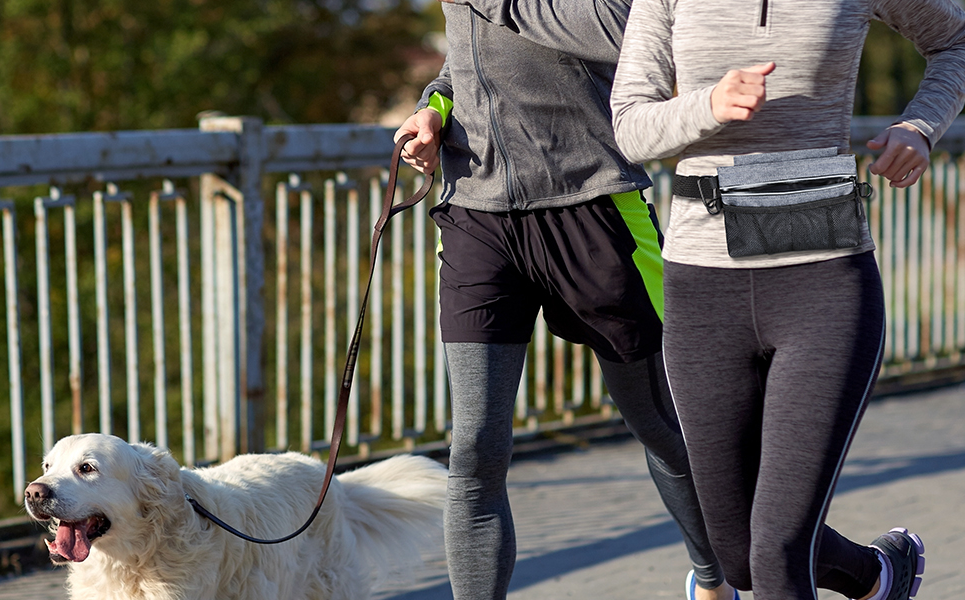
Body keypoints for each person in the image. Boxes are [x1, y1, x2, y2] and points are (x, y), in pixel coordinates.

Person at [609, 0, 965, 598]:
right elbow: (629, 126)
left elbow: (958, 41)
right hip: (703, 285)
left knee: (777, 549)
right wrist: (709, 105)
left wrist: (920, 126)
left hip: (822, 280)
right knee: (737, 557)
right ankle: (878, 573)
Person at [395, 2, 736, 599]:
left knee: (661, 423)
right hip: (479, 216)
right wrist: (435, 107)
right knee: (475, 445)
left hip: (596, 204)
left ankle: (714, 580)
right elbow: (469, 56)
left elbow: (621, 35)